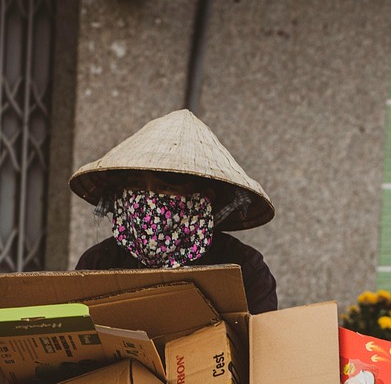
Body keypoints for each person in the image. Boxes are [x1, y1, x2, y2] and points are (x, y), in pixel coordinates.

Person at [70, 109, 279, 314]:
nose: (149, 199)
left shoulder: (242, 267)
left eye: (165, 188)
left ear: (203, 198)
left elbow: (261, 334)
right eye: (136, 186)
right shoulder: (98, 264)